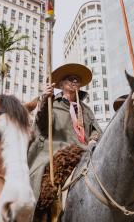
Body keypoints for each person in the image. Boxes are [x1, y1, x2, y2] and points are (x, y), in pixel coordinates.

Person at [28, 63, 102, 200]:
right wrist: (45, 99)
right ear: (61, 85)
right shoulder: (52, 104)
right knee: (46, 191)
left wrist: (93, 139)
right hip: (59, 153)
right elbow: (42, 122)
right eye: (70, 78)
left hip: (87, 154)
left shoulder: (86, 109)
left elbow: (95, 129)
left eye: (77, 79)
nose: (75, 81)